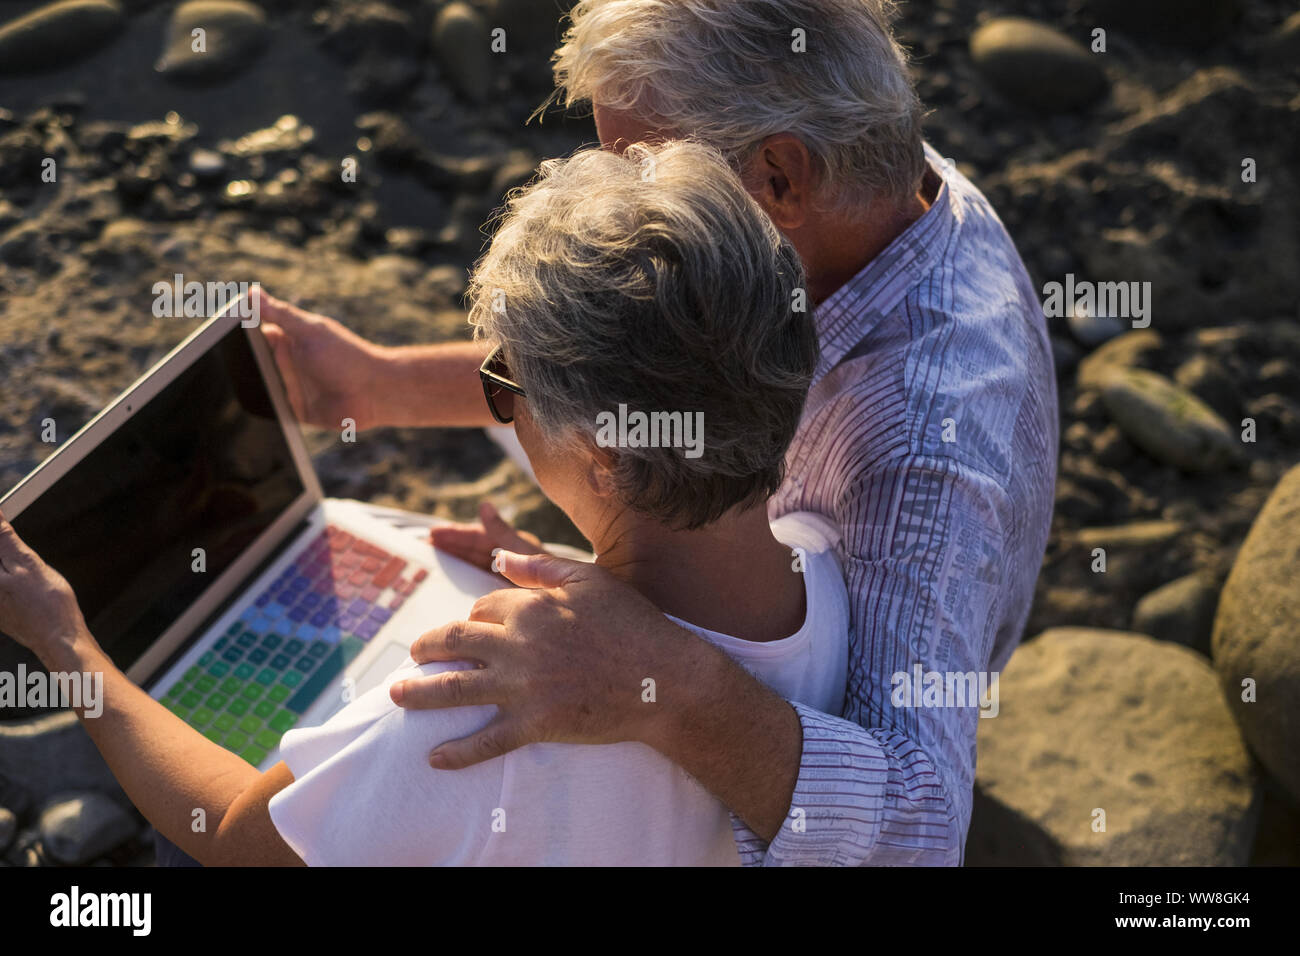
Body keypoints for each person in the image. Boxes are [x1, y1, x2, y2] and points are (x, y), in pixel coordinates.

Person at [255, 0, 1059, 865]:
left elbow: (922, 823)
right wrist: (376, 385)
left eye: (637, 160)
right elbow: (641, 342)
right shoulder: (871, 177)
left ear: (780, 178)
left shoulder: (916, 446)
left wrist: (656, 679)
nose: (603, 188)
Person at [0, 141, 849, 865]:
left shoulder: (482, 705)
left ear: (601, 456)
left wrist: (70, 644)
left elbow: (231, 837)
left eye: (503, 382)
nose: (499, 401)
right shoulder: (830, 577)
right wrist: (587, 576)